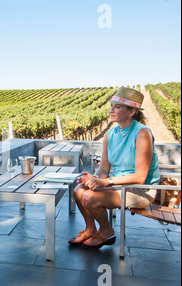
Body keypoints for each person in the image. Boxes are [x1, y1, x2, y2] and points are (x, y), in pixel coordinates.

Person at [69, 86, 160, 249]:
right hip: (117, 185)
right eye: (112, 106)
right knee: (79, 191)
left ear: (131, 112)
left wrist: (106, 182)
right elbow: (103, 169)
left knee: (89, 198)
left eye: (117, 107)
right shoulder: (109, 135)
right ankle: (90, 228)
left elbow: (140, 177)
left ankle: (106, 231)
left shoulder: (142, 134)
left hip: (141, 189)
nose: (111, 110)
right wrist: (93, 179)